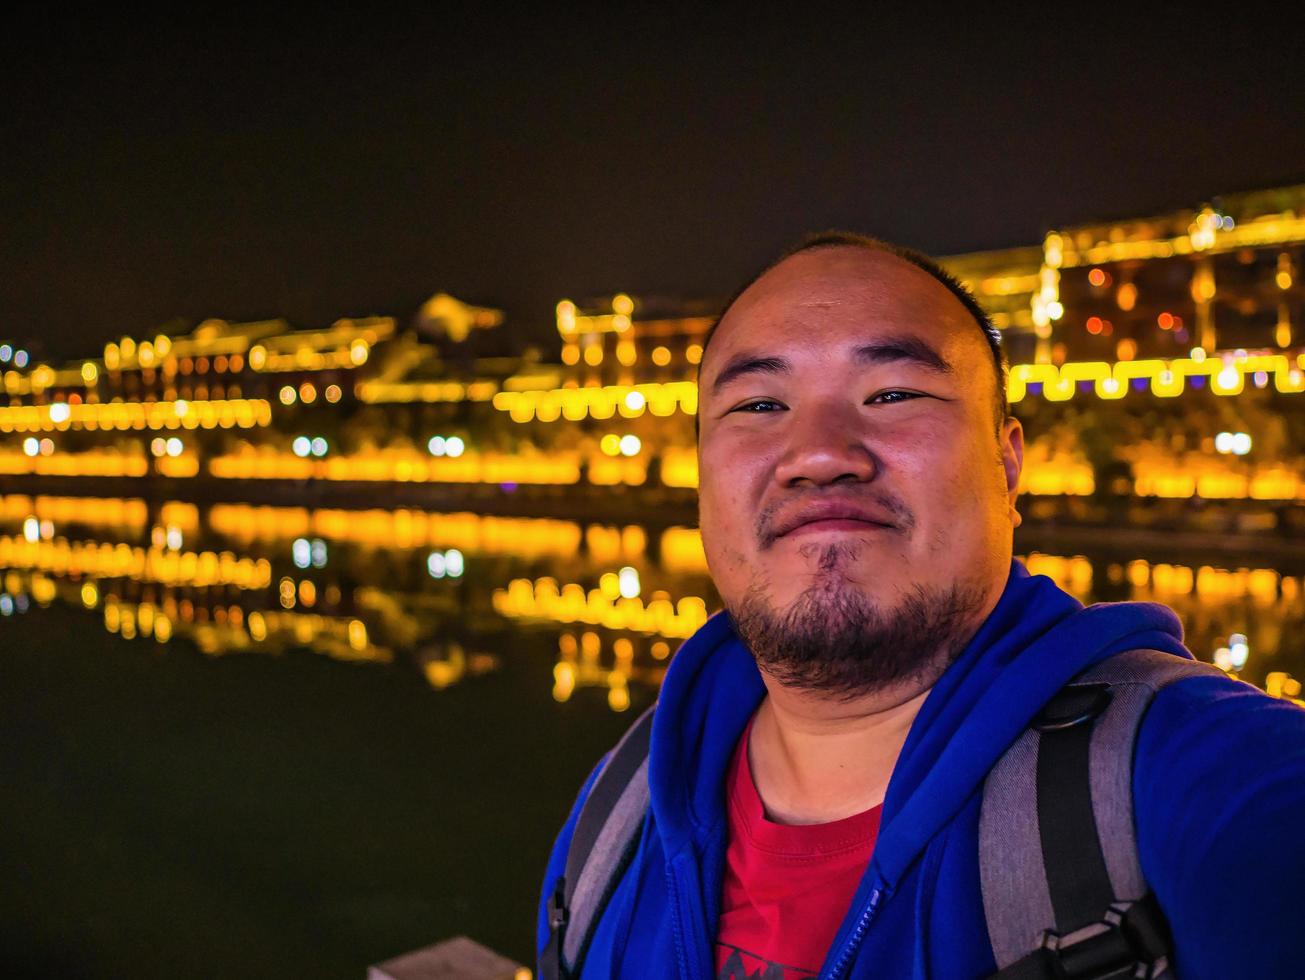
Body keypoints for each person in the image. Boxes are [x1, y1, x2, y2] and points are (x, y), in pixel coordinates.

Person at [536, 233, 1305, 979]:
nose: (819, 454)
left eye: (894, 393)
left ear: (1006, 467)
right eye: (759, 405)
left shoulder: (1195, 778)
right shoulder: (618, 809)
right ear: (698, 476)